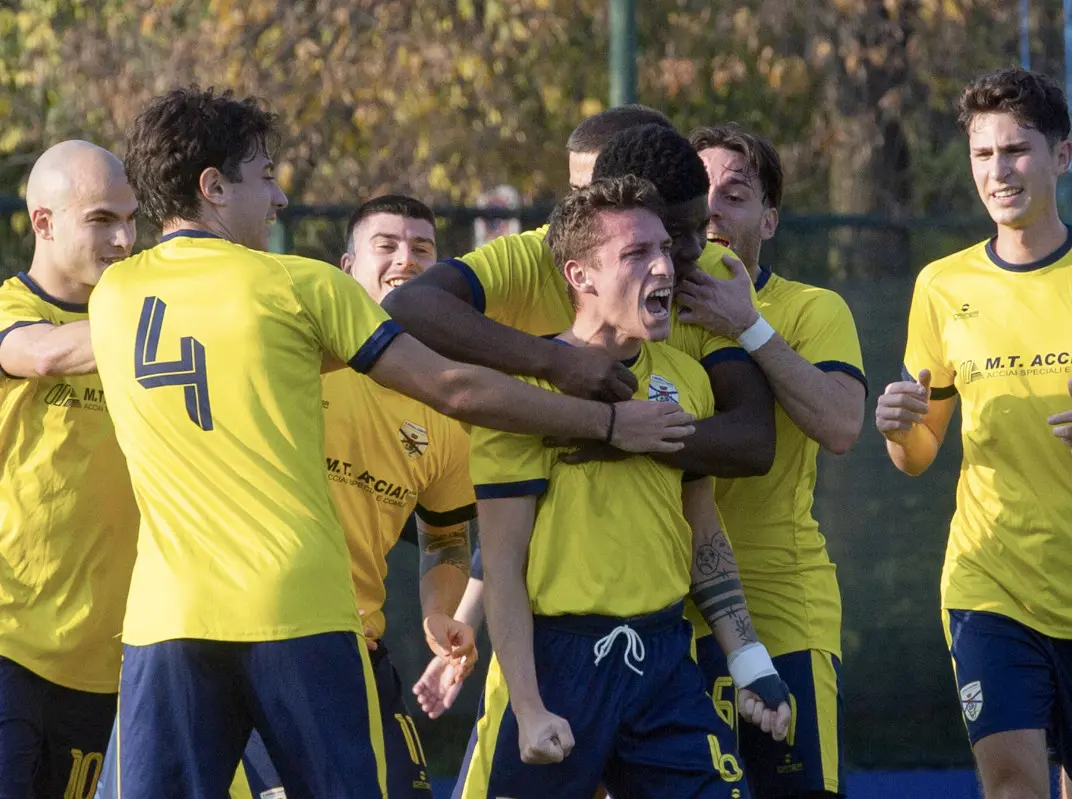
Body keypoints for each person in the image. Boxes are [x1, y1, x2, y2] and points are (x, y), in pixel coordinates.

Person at [89, 86, 695, 798]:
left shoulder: (112, 297)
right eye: (266, 177)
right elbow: (455, 389)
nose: (280, 199)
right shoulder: (297, 286)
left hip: (165, 620)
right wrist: (607, 420)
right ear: (213, 188)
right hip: (299, 614)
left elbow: (45, 348)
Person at [874, 68, 1072, 799]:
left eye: (1016, 150)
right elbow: (918, 454)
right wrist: (898, 428)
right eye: (984, 155)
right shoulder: (941, 286)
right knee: (1013, 782)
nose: (999, 171)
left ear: (1063, 154)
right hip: (990, 581)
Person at [461, 175, 790, 799]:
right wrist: (528, 706)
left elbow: (703, 531)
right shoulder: (522, 390)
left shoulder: (687, 378)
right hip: (559, 663)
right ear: (580, 276)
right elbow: (503, 565)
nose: (664, 265)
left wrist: (750, 663)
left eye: (665, 248)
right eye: (637, 254)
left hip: (665, 661)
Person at [237, 195, 477, 799]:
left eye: (423, 249)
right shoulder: (288, 357)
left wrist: (439, 612)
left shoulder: (445, 405)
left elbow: (447, 536)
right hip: (261, 643)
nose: (407, 260)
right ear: (345, 269)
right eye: (388, 246)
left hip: (359, 650)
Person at [383, 114, 777, 481]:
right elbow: (407, 305)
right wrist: (556, 363)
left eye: (699, 227)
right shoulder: (537, 252)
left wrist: (626, 432)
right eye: (674, 232)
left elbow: (754, 440)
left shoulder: (712, 275)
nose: (693, 248)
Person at [675, 123, 867, 798]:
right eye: (700, 193)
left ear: (770, 217)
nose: (714, 210)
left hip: (784, 605)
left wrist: (748, 324)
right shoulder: (644, 305)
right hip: (664, 610)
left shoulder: (813, 308)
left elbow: (842, 425)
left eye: (735, 194)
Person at [0, 140, 139, 798]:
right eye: (102, 220)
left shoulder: (136, 319)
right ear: (44, 222)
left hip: (109, 664)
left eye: (130, 218)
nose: (124, 238)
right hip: (10, 644)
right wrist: (180, 313)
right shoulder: (10, 313)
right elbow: (46, 354)